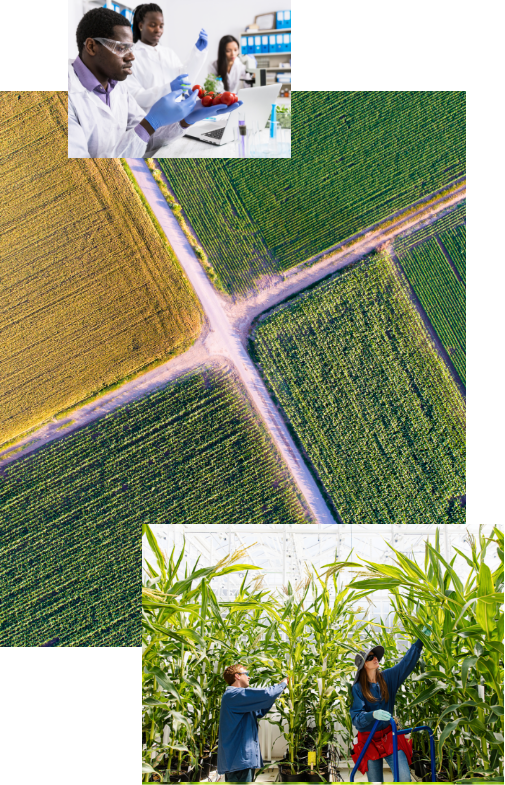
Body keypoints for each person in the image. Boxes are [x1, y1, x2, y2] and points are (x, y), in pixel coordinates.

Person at [68, 8, 241, 157]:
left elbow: (147, 138)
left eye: (130, 48)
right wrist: (151, 121)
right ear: (91, 46)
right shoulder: (59, 101)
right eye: (122, 48)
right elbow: (82, 175)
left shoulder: (117, 87)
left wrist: (185, 121)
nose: (131, 56)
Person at [350, 629, 431, 783]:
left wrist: (420, 640)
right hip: (369, 739)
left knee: (404, 778)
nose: (376, 659)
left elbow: (405, 664)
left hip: (389, 735)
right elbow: (356, 718)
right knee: (376, 782)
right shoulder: (358, 688)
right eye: (370, 657)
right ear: (363, 666)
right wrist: (372, 715)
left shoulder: (388, 678)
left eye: (376, 656)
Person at [126, 4, 208, 113]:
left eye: (161, 26)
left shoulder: (168, 53)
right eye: (153, 25)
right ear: (141, 25)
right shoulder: (132, 56)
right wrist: (168, 89)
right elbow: (135, 96)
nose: (158, 30)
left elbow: (185, 77)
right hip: (149, 121)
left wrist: (198, 52)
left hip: (176, 117)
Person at [217, 664, 289, 783]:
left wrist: (275, 694)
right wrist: (283, 684)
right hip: (238, 759)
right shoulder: (233, 695)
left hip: (242, 759)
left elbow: (259, 711)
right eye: (247, 674)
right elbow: (266, 694)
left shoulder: (238, 698)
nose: (249, 677)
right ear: (237, 676)